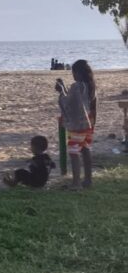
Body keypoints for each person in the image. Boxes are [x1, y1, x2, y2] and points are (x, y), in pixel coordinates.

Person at [57, 59, 97, 189]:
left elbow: (69, 103)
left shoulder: (76, 86)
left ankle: (76, 183)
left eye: (73, 72)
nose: (73, 75)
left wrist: (61, 91)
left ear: (78, 73)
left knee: (74, 152)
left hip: (78, 125)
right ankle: (88, 180)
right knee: (85, 150)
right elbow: (88, 104)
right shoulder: (90, 86)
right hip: (89, 123)